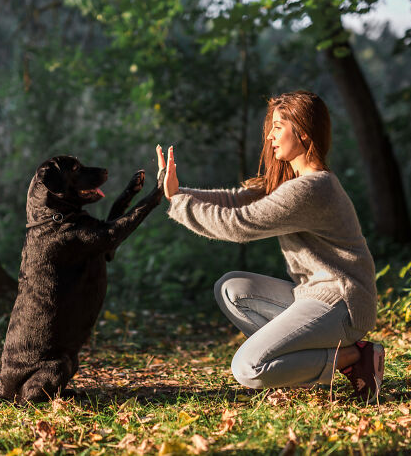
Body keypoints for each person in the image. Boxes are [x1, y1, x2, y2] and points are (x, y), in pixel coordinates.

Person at [155, 90, 384, 402]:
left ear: (303, 132)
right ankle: (302, 363)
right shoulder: (296, 182)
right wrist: (178, 192)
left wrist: (180, 203)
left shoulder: (311, 189)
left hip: (343, 304)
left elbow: (238, 224)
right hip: (315, 296)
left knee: (248, 368)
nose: (270, 137)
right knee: (232, 289)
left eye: (278, 127)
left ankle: (351, 358)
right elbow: (236, 199)